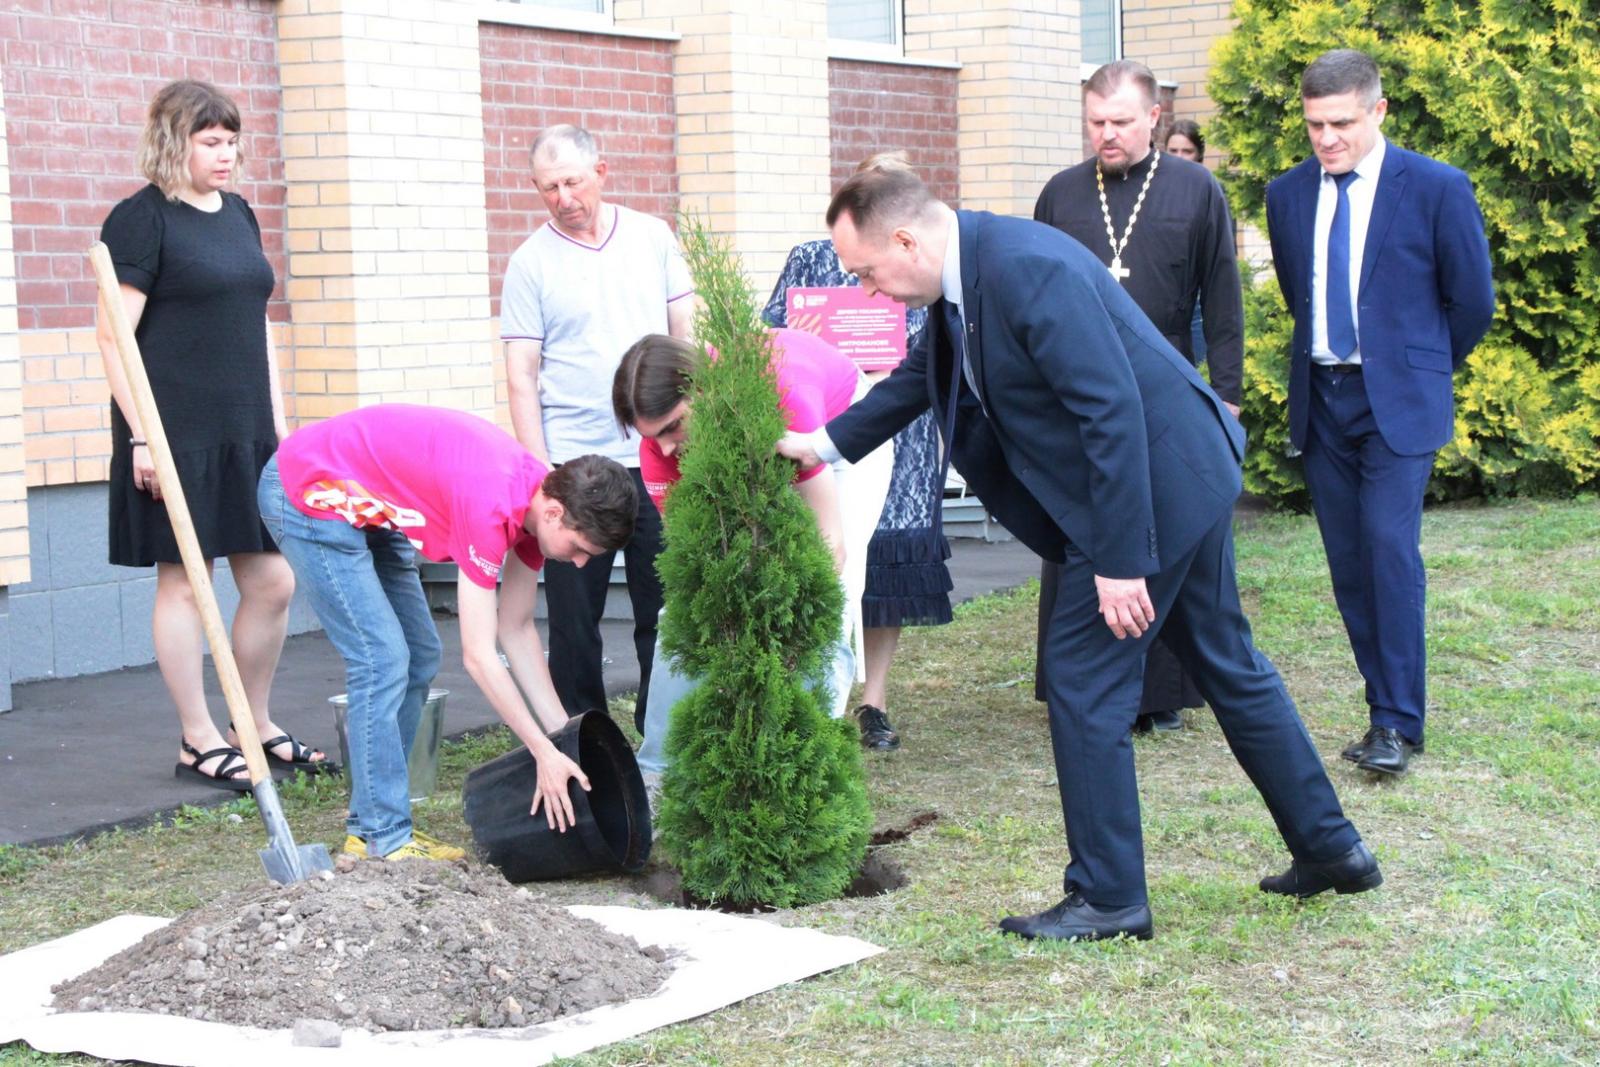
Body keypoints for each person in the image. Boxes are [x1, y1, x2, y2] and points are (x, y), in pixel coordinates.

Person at [779, 166, 1379, 941]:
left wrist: (1119, 561)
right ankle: (1334, 850)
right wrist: (822, 444)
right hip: (1180, 474)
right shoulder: (966, 271)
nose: (866, 290)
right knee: (1229, 665)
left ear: (904, 238)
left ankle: (1109, 897)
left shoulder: (1025, 268)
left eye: (865, 272)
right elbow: (923, 378)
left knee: (1084, 679)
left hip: (1154, 487)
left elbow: (1111, 411)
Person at [259, 405, 638, 860]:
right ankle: (385, 837)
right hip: (309, 491)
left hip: (369, 507)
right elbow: (478, 655)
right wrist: (540, 750)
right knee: (381, 660)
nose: (579, 563)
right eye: (579, 549)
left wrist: (565, 741)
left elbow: (516, 629)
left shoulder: (539, 507)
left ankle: (369, 830)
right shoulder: (491, 504)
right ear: (556, 513)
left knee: (418, 656)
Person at [96, 79, 330, 791]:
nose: (227, 154)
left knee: (272, 580)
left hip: (245, 430)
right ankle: (197, 737)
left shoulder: (238, 214)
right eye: (211, 141)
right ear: (176, 141)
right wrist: (142, 438)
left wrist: (281, 425)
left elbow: (255, 323)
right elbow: (113, 338)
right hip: (174, 433)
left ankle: (251, 723)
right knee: (184, 583)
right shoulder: (142, 221)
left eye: (232, 140)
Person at [1266, 49, 1495, 776]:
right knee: (1349, 564)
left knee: (1389, 551)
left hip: (1397, 402)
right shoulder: (1288, 195)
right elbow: (1295, 293)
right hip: (1323, 399)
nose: (1327, 138)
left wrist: (1417, 367)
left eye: (1340, 123)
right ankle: (1388, 707)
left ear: (1377, 112)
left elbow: (1472, 302)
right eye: (1314, 126)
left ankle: (1395, 720)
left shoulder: (1435, 187)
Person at [1032, 61, 1245, 734]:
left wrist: (1229, 398)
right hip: (1080, 400)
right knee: (1087, 536)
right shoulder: (1062, 194)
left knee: (1170, 531)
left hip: (1172, 391)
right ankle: (1085, 687)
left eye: (1121, 122)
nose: (1107, 135)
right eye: (1096, 122)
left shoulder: (1196, 189)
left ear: (1154, 116)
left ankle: (1163, 692)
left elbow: (1224, 298)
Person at [615, 330, 893, 785]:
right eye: (651, 436)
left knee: (828, 599)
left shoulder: (782, 396)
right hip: (754, 429)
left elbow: (830, 546)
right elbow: (691, 563)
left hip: (837, 434)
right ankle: (657, 777)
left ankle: (804, 768)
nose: (664, 448)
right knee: (680, 614)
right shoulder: (659, 447)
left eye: (671, 427)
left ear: (700, 390)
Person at [500, 124, 696, 731]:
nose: (563, 197)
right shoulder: (530, 263)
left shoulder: (652, 237)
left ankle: (660, 728)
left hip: (655, 457)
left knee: (659, 607)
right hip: (574, 465)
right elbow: (521, 375)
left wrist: (691, 440)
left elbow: (685, 340)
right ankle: (583, 733)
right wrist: (542, 476)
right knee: (573, 619)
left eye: (573, 182)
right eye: (548, 187)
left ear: (602, 173)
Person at [762, 155, 954, 752]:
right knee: (830, 548)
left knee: (891, 556)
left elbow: (938, 338)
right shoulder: (813, 257)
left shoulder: (923, 259)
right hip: (827, 414)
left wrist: (893, 358)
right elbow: (768, 330)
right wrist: (809, 341)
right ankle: (820, 687)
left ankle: (873, 701)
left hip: (902, 422)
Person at [1163, 119, 1211, 363]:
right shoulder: (1153, 194)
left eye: (1187, 151)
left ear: (1199, 155)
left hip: (1198, 306)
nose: (1179, 157)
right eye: (1173, 151)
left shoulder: (1210, 193)